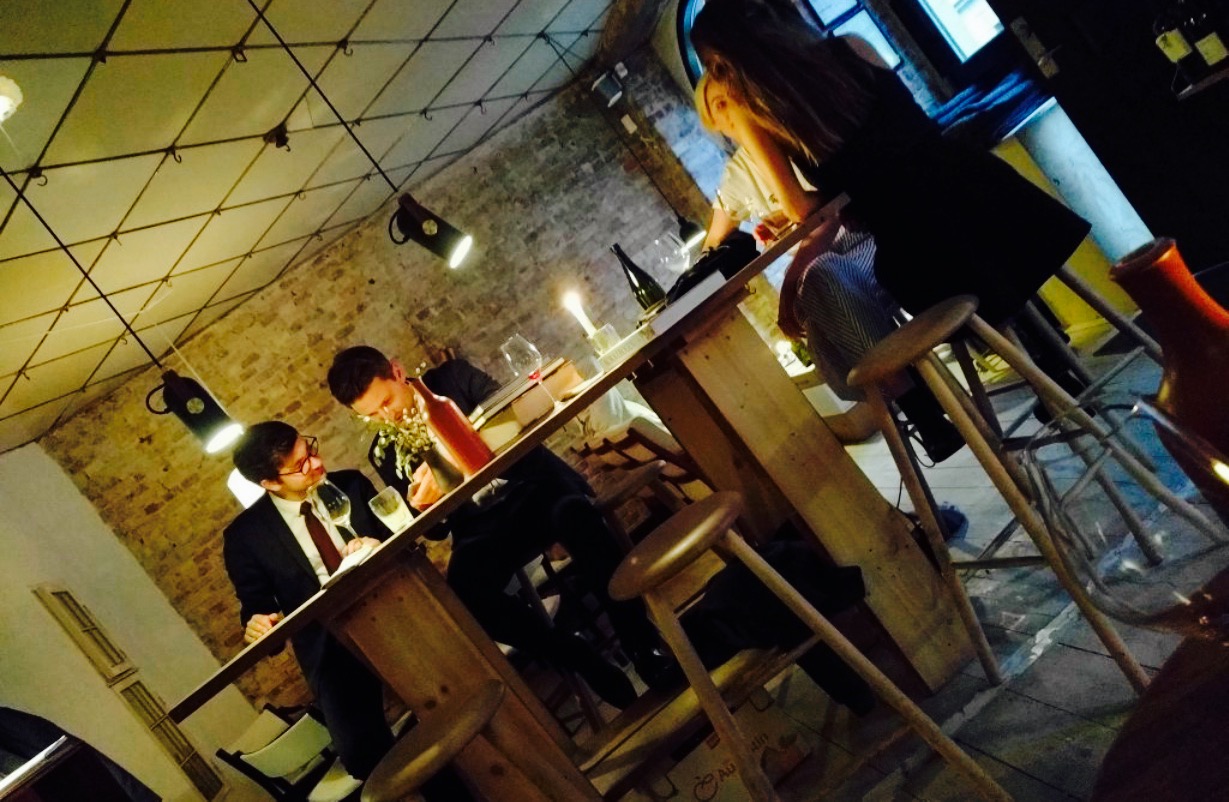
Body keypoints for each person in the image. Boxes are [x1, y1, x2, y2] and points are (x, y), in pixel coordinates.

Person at [689, 0, 1092, 399]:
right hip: (985, 191)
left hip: (916, 244)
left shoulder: (752, 114)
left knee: (942, 271)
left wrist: (841, 192)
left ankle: (1012, 387)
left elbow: (801, 207)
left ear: (724, 62)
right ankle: (1055, 368)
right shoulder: (852, 44)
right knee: (977, 249)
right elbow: (898, 143)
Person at [327, 346, 674, 704]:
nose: (387, 416)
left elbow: (515, 420)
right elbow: (436, 531)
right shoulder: (384, 450)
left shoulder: (453, 379)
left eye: (386, 401)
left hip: (534, 488)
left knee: (575, 515)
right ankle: (577, 656)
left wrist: (450, 459)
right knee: (464, 590)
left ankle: (643, 646)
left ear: (398, 372)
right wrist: (423, 505)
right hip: (483, 527)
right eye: (372, 415)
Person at [695, 72, 964, 463]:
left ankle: (916, 405)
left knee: (816, 289)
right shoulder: (738, 173)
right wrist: (705, 266)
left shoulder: (796, 131)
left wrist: (788, 289)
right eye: (717, 113)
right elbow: (713, 242)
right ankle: (922, 403)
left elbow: (831, 217)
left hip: (870, 240)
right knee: (821, 291)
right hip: (827, 267)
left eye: (726, 106)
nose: (727, 120)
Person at [223, 422, 470, 800]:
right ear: (269, 483)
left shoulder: (350, 485)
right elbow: (257, 606)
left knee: (447, 700)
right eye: (300, 465)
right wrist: (256, 624)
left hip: (392, 609)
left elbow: (404, 539)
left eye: (310, 449)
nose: (316, 463)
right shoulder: (246, 536)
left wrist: (378, 546)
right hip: (329, 642)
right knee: (361, 752)